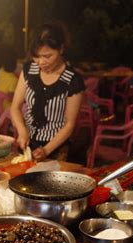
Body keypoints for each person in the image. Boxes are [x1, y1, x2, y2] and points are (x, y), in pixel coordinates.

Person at [10, 23, 85, 161]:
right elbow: (15, 107)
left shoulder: (73, 80)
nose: (41, 62)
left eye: (47, 56)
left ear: (61, 49)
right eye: (36, 56)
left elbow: (69, 124)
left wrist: (46, 150)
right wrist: (22, 131)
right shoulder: (28, 71)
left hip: (57, 148)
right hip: (27, 144)